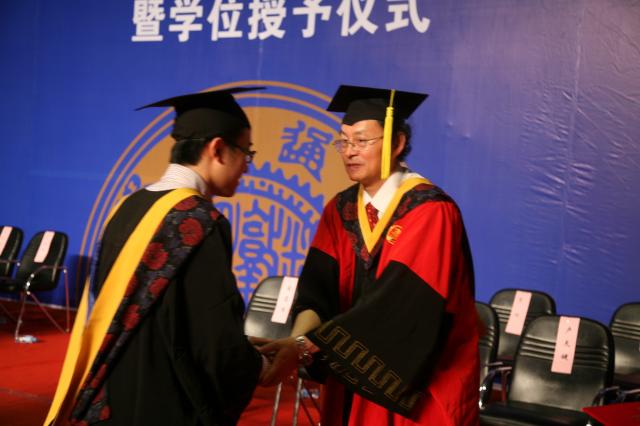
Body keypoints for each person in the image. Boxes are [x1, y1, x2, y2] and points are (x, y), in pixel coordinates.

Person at [45, 88, 269, 425]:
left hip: (110, 391)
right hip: (161, 395)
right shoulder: (200, 220)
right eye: (246, 153)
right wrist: (260, 366)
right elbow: (214, 337)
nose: (247, 168)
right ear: (217, 149)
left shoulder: (128, 205)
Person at [259, 85, 480, 425]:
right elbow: (318, 292)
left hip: (418, 385)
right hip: (350, 374)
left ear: (396, 143)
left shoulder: (429, 210)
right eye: (343, 141)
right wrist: (296, 341)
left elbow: (399, 306)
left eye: (362, 141)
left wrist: (306, 347)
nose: (350, 151)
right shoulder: (340, 209)